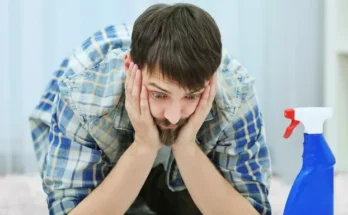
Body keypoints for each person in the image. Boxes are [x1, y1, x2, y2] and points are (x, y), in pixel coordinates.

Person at [29, 3, 272, 215]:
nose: (174, 116)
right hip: (101, 153)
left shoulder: (235, 92)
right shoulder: (83, 92)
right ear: (129, 68)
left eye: (192, 95)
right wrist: (144, 145)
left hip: (178, 174)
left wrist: (186, 147)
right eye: (159, 94)